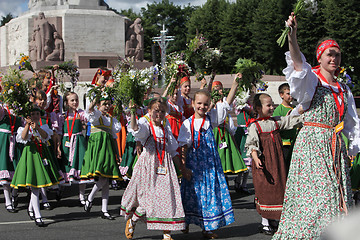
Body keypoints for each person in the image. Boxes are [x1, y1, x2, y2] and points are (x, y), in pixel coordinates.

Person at [272, 13, 360, 239]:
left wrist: (352, 149)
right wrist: (292, 35)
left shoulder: (343, 88)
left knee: (337, 198)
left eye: (338, 55)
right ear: (320, 57)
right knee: (320, 199)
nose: (335, 59)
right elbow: (298, 64)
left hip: (334, 146)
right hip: (313, 146)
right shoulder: (312, 81)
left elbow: (351, 122)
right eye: (330, 54)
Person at [177, 74, 240, 239]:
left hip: (210, 166)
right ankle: (185, 222)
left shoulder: (211, 119)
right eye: (199, 103)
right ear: (193, 103)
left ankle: (208, 228)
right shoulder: (187, 123)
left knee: (209, 195)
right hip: (194, 167)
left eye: (205, 104)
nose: (202, 107)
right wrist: (183, 168)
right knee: (191, 195)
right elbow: (183, 147)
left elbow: (227, 103)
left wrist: (235, 84)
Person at [120, 97, 185, 240]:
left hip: (164, 166)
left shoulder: (166, 128)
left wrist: (181, 168)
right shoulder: (146, 126)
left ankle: (167, 233)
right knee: (146, 201)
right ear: (149, 111)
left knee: (167, 197)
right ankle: (133, 220)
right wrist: (132, 113)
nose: (159, 114)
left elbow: (173, 150)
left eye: (162, 111)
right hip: (148, 166)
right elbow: (136, 129)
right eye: (156, 111)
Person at [245, 93, 303, 235]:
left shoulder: (275, 122)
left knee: (278, 188)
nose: (272, 108)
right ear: (258, 108)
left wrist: (303, 113)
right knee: (265, 190)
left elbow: (290, 121)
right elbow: (251, 143)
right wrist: (255, 157)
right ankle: (265, 222)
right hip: (264, 163)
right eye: (268, 105)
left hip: (277, 163)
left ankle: (275, 219)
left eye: (272, 105)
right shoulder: (255, 126)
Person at [11, 107, 63, 227]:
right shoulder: (23, 128)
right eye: (32, 114)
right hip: (30, 155)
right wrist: (28, 126)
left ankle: (31, 209)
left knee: (38, 184)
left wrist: (37, 127)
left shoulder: (43, 127)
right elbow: (23, 138)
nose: (35, 116)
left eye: (37, 114)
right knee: (34, 186)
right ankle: (38, 215)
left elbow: (45, 137)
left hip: (41, 155)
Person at [81, 96, 122, 220]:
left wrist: (117, 154)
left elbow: (114, 138)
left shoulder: (111, 120)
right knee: (103, 178)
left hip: (108, 149)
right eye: (105, 104)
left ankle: (104, 209)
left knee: (106, 179)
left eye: (109, 104)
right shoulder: (96, 114)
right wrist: (97, 95)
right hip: (98, 148)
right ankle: (91, 197)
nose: (107, 106)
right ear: (99, 104)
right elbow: (90, 108)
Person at [211, 81, 247, 176]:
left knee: (223, 160)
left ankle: (224, 182)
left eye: (220, 89)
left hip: (223, 133)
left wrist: (235, 83)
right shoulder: (210, 106)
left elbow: (229, 100)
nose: (219, 91)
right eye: (216, 89)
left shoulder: (224, 105)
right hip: (213, 133)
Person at [60, 92, 88, 205]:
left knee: (81, 166)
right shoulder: (62, 116)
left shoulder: (80, 113)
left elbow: (88, 117)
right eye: (72, 100)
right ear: (66, 103)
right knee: (65, 166)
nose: (75, 102)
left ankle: (81, 195)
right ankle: (61, 189)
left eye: (76, 100)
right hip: (67, 142)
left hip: (79, 143)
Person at [0, 104, 23, 213]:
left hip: (17, 141)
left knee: (17, 168)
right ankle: (8, 201)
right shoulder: (2, 108)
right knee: (5, 169)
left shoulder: (20, 106)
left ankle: (14, 193)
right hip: (4, 141)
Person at [272, 83, 298, 172]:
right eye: (288, 93)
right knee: (285, 166)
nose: (291, 96)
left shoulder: (295, 108)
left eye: (292, 93)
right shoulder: (279, 109)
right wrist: (286, 119)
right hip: (285, 142)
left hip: (295, 141)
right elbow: (276, 125)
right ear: (281, 95)